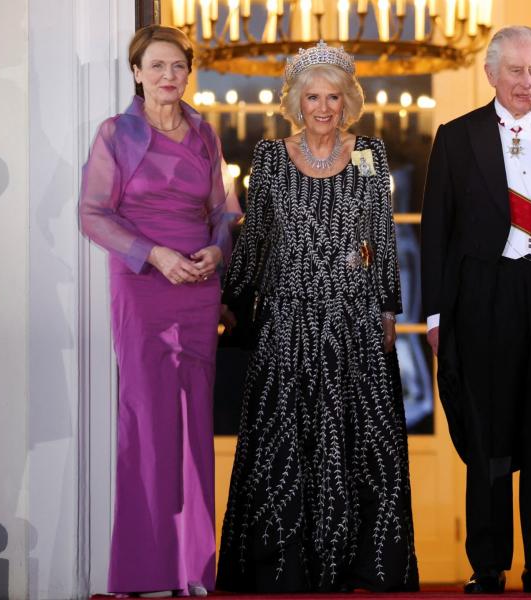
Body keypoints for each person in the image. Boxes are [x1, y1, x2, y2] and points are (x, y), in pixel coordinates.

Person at [215, 41, 418, 593]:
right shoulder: (272, 158)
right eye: (313, 97)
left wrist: (386, 313)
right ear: (295, 102)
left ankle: (361, 564)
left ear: (347, 100)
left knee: (359, 443)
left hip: (352, 319)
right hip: (287, 319)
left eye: (333, 97)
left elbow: (381, 237)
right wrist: (234, 303)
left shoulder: (369, 153)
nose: (323, 108)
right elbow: (255, 238)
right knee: (286, 445)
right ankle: (284, 567)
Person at [421, 25, 531, 595]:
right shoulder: (457, 136)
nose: (527, 82)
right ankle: (487, 566)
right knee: (488, 431)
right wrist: (438, 316)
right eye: (515, 71)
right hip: (481, 297)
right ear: (491, 74)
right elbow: (437, 230)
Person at [79, 24, 234, 597]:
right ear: (138, 73)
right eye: (158, 66)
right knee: (146, 422)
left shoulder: (204, 132)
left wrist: (218, 249)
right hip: (143, 286)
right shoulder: (115, 134)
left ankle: (191, 570)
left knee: (194, 423)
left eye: (178, 67)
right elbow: (92, 214)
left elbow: (223, 210)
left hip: (198, 287)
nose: (170, 76)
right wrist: (154, 255)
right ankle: (144, 573)